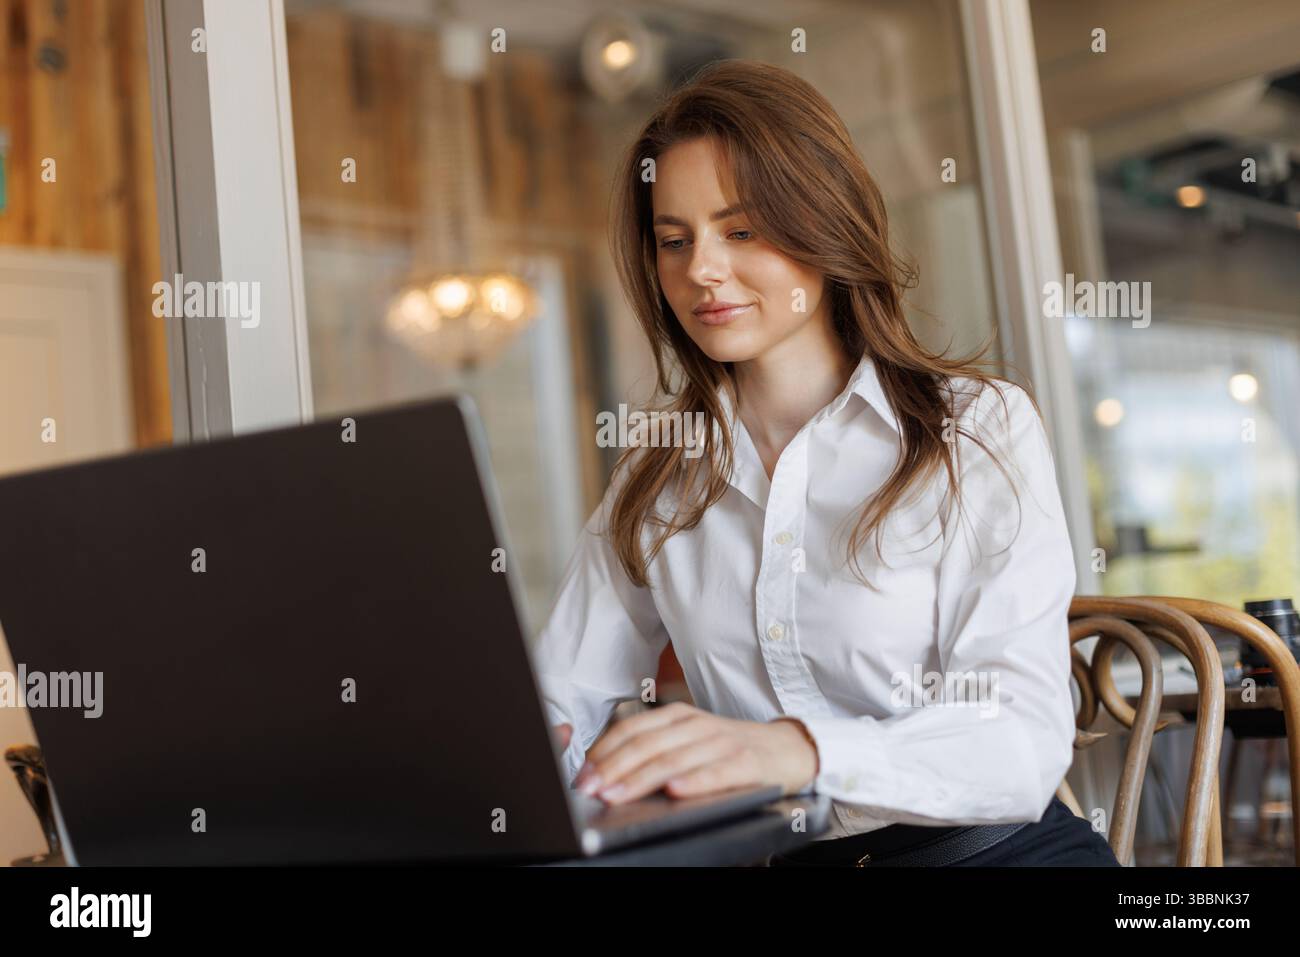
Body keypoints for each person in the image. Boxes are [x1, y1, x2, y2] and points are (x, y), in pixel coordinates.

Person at [533, 59, 1118, 866]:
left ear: (824, 225)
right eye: (674, 240)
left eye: (739, 230)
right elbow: (560, 701)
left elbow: (1020, 736)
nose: (700, 268)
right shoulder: (658, 472)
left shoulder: (973, 430)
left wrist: (797, 751)